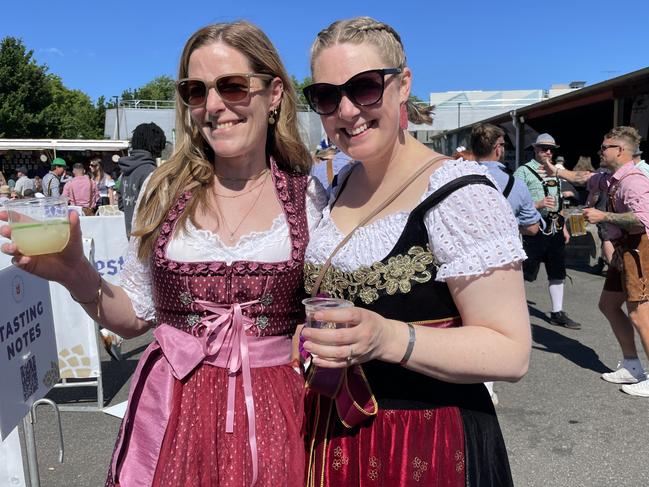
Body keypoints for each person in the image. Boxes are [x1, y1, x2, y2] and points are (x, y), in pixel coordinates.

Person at [2, 20, 325, 486]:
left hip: (276, 414)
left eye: (232, 86)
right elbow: (133, 317)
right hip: (172, 409)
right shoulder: (165, 188)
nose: (213, 106)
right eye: (197, 91)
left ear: (273, 94)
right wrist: (74, 270)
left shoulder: (309, 196)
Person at [300, 17, 530, 486]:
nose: (346, 110)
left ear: (403, 85)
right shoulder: (334, 186)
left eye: (364, 87)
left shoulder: (461, 195)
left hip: (426, 443)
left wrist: (387, 338)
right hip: (332, 434)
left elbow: (511, 352)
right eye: (326, 96)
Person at [576, 127, 649, 396]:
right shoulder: (611, 178)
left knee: (641, 315)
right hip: (624, 248)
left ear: (620, 150)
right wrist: (554, 169)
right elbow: (583, 178)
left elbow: (642, 220)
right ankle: (631, 365)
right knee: (608, 304)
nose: (600, 151)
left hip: (639, 248)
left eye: (604, 147)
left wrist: (603, 217)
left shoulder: (634, 181)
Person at [513, 133, 581, 329]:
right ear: (535, 149)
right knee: (523, 272)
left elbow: (559, 202)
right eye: (543, 148)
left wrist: (565, 227)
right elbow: (513, 203)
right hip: (533, 227)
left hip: (556, 226)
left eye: (551, 149)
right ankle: (512, 310)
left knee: (557, 270)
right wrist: (538, 203)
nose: (548, 152)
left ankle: (557, 312)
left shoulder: (556, 173)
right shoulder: (523, 172)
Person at [471, 123, 541, 235]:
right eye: (504, 144)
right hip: (503, 249)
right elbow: (532, 228)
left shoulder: (455, 178)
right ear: (498, 149)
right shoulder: (517, 185)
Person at [118, 122, 167, 235]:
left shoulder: (126, 171)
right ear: (157, 145)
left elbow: (121, 205)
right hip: (148, 237)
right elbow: (159, 209)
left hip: (131, 234)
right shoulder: (150, 172)